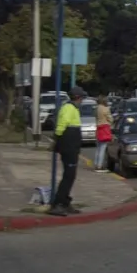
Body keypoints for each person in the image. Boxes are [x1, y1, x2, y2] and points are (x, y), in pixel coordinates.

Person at [50, 86, 86, 216]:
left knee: (70, 175)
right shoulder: (68, 108)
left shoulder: (73, 108)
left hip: (72, 144)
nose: (82, 100)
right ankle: (57, 204)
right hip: (68, 144)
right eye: (81, 97)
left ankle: (65, 202)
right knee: (68, 175)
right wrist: (56, 140)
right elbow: (61, 126)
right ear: (77, 97)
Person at [94, 96, 113, 173]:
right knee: (103, 148)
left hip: (98, 128)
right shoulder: (106, 109)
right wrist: (109, 122)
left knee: (98, 148)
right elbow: (110, 119)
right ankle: (99, 166)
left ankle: (96, 164)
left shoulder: (96, 108)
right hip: (104, 128)